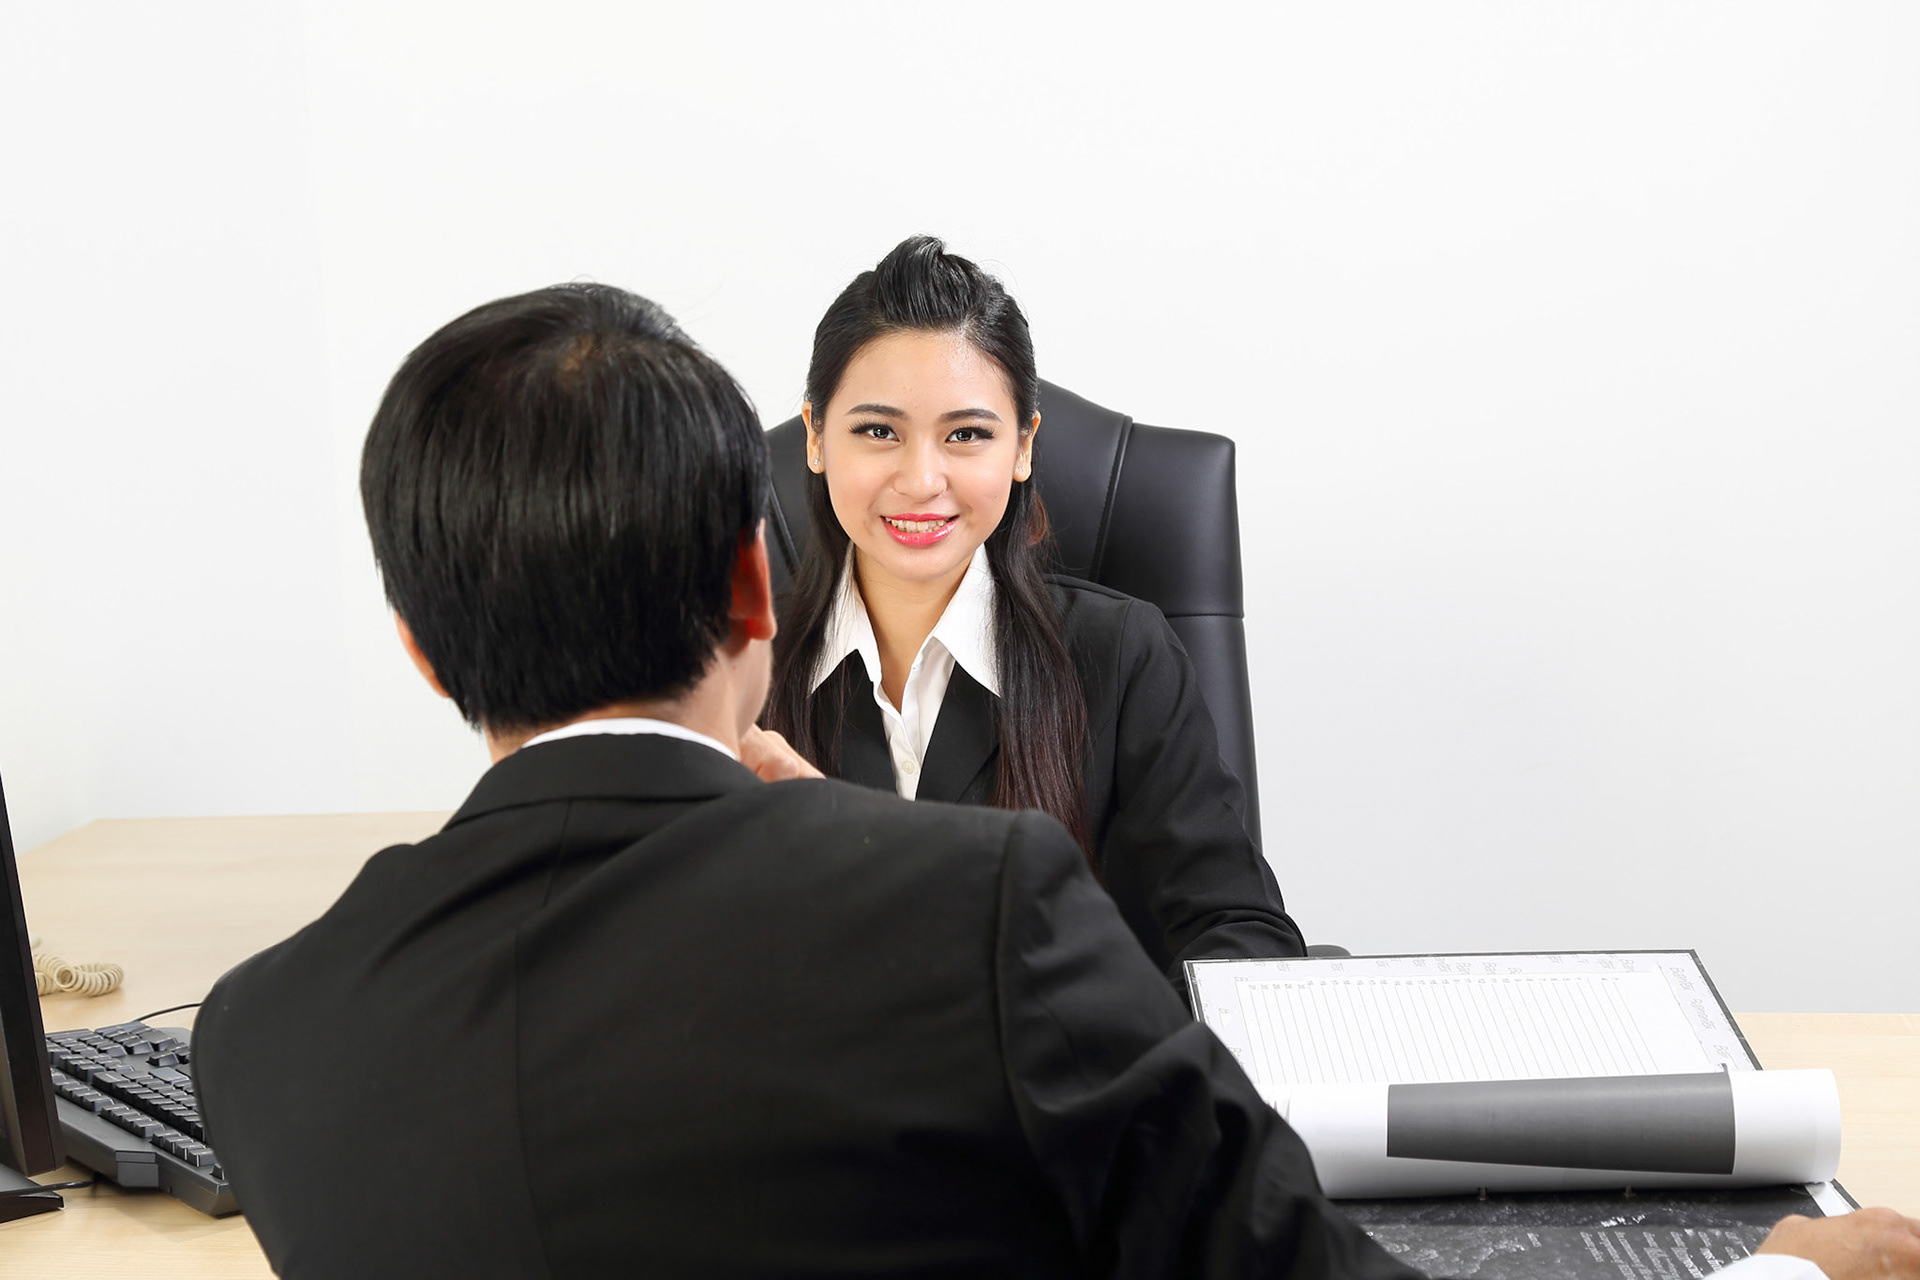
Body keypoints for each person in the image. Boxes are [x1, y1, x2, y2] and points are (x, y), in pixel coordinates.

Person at [190, 282, 1919, 1280]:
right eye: (873, 433)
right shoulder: (974, 906)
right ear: (757, 575)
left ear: (418, 645)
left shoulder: (262, 1041)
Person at [763, 235, 1304, 985]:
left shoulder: (1120, 656)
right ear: (817, 438)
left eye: (968, 435)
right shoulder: (732, 670)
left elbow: (1242, 939)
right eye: (878, 431)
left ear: (1023, 447)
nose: (922, 479)